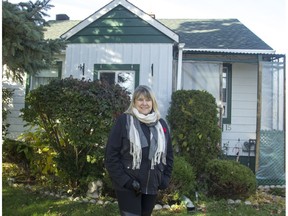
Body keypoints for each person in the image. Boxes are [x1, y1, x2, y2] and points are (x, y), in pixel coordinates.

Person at [105, 85, 174, 216]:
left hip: (152, 185)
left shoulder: (161, 124)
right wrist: (127, 182)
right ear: (134, 102)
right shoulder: (124, 121)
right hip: (129, 186)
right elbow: (110, 157)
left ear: (153, 102)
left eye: (148, 100)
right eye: (140, 100)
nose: (144, 103)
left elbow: (169, 154)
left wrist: (165, 178)